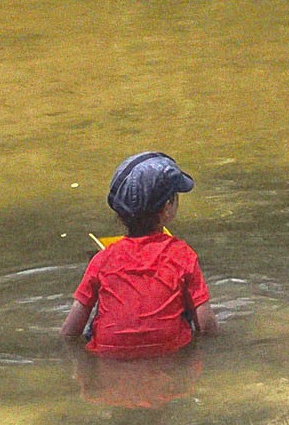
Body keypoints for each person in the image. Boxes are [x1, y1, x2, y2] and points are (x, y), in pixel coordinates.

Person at [63, 151, 215, 355]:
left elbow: (70, 332)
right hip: (168, 354)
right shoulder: (183, 255)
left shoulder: (102, 259)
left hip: (110, 358)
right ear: (167, 208)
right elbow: (206, 327)